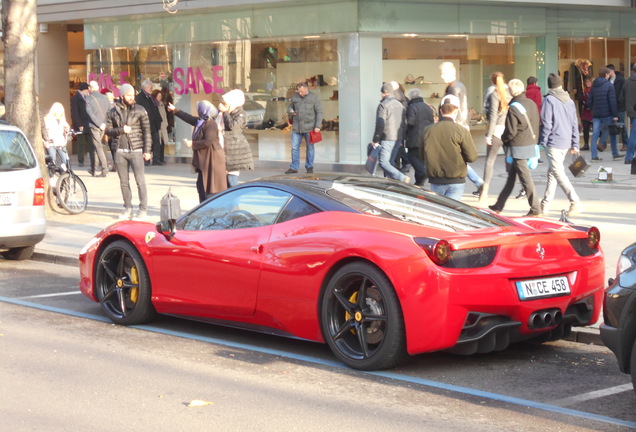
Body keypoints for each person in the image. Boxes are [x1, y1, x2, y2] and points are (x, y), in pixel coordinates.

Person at [489, 79, 541, 216]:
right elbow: (536, 123)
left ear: (511, 92)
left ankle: (536, 209)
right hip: (529, 143)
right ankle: (499, 205)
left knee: (526, 179)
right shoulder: (531, 103)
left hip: (518, 147)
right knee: (511, 177)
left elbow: (511, 131)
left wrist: (504, 140)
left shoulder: (513, 108)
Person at [105, 83, 152, 221]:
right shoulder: (113, 111)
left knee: (140, 181)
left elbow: (146, 131)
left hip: (136, 150)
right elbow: (107, 130)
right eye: (129, 95)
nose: (132, 97)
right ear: (122, 96)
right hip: (120, 151)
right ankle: (128, 207)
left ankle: (143, 209)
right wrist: (121, 130)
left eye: (133, 95)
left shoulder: (140, 110)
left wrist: (147, 150)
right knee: (124, 182)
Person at [539, 73, 583, 217]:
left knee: (558, 172)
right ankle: (545, 205)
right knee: (552, 172)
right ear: (560, 85)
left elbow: (546, 123)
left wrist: (543, 141)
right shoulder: (568, 100)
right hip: (565, 141)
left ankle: (574, 201)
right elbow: (574, 123)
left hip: (554, 141)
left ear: (549, 85)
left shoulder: (550, 100)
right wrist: (575, 143)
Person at [439, 61, 484, 195]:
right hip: (460, 125)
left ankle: (477, 182)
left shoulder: (453, 88)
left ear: (452, 72)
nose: (441, 76)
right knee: (458, 159)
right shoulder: (458, 86)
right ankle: (478, 182)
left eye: (443, 73)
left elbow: (453, 109)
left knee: (455, 159)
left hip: (457, 126)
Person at [421, 95, 477, 201]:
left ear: (441, 111)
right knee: (452, 212)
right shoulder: (461, 131)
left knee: (438, 210)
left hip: (436, 179)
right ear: (456, 111)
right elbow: (472, 157)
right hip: (456, 179)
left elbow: (421, 155)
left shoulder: (427, 130)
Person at [169, 100, 227, 202]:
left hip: (212, 160)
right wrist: (175, 110)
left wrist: (193, 144)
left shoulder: (211, 124)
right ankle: (203, 209)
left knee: (210, 190)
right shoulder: (201, 121)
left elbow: (208, 141)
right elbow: (189, 118)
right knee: (201, 187)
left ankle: (208, 210)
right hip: (204, 161)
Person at [479, 72, 510, 204]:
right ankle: (523, 187)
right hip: (508, 130)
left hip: (497, 131)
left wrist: (489, 135)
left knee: (490, 161)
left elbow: (493, 117)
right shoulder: (509, 94)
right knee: (511, 160)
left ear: (492, 81)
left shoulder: (494, 94)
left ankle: (485, 190)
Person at [371, 82, 410, 183]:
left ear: (384, 93)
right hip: (398, 138)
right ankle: (390, 183)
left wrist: (375, 140)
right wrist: (402, 138)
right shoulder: (400, 105)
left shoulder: (383, 105)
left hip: (387, 137)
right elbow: (404, 124)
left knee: (383, 162)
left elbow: (380, 124)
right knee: (390, 162)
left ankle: (401, 177)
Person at [285, 82, 323, 174]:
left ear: (306, 89)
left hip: (310, 127)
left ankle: (309, 167)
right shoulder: (295, 96)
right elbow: (290, 106)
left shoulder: (314, 97)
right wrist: (291, 110)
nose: (300, 93)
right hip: (297, 127)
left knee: (310, 148)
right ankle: (294, 167)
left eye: (302, 91)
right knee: (294, 148)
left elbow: (320, 112)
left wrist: (318, 126)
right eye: (299, 91)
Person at [219, 89, 254, 186]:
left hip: (235, 149)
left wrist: (225, 112)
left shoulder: (241, 114)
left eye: (225, 103)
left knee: (231, 179)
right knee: (224, 180)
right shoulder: (226, 113)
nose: (222, 105)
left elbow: (231, 126)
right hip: (225, 148)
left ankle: (233, 199)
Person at [587, 66, 621, 161]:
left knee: (595, 134)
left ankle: (594, 156)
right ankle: (615, 153)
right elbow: (612, 101)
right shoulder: (609, 85)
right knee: (613, 133)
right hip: (607, 114)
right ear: (606, 74)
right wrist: (615, 115)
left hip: (596, 114)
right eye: (608, 74)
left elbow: (589, 101)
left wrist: (593, 108)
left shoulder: (594, 86)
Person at [405, 88, 434, 186]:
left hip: (415, 137)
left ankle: (423, 173)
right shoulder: (427, 107)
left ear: (410, 97)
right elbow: (432, 122)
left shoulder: (412, 107)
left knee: (411, 157)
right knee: (420, 158)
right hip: (426, 137)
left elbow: (410, 122)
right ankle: (419, 182)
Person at [135, 79, 164, 165]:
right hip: (145, 124)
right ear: (145, 87)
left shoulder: (150, 97)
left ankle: (156, 159)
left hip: (154, 124)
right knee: (146, 142)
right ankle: (146, 159)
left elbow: (154, 109)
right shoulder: (140, 98)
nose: (151, 89)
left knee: (156, 141)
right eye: (150, 87)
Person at [85, 80, 111, 177]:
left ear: (90, 88)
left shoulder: (88, 98)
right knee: (97, 146)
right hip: (102, 126)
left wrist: (99, 124)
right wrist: (104, 123)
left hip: (95, 126)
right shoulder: (105, 98)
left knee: (98, 147)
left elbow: (90, 113)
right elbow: (109, 111)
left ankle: (104, 170)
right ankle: (94, 168)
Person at [41, 102, 71, 167]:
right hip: (51, 142)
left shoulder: (62, 119)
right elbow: (44, 130)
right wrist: (45, 140)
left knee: (65, 159)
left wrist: (67, 128)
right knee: (52, 160)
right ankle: (51, 174)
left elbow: (66, 127)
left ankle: (64, 173)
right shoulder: (47, 118)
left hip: (60, 142)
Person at [607, 64, 628, 150]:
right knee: (610, 125)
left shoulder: (621, 80)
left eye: (608, 71)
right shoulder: (608, 81)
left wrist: (620, 101)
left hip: (619, 107)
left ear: (612, 70)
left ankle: (625, 143)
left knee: (621, 125)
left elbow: (624, 93)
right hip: (610, 107)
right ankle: (607, 144)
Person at [70, 82, 91, 167]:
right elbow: (75, 113)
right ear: (84, 89)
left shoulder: (87, 97)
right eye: (87, 90)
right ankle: (80, 161)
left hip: (87, 123)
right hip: (81, 125)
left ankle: (92, 160)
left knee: (90, 142)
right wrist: (79, 124)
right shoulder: (75, 98)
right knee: (81, 143)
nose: (88, 91)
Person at [619, 62, 636, 164]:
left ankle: (629, 157)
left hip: (631, 111)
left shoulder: (628, 81)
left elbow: (621, 97)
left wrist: (627, 106)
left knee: (634, 133)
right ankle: (629, 157)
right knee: (633, 134)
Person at [151, 89, 170, 164]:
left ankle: (161, 158)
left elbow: (164, 115)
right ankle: (156, 158)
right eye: (159, 96)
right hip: (157, 126)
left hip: (163, 126)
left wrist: (166, 123)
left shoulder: (161, 104)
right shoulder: (153, 104)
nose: (160, 97)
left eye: (161, 96)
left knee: (162, 143)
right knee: (157, 143)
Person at [579, 76, 594, 151]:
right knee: (586, 129)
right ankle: (586, 144)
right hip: (585, 112)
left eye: (589, 82)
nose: (587, 83)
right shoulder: (584, 91)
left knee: (596, 129)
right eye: (586, 82)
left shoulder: (593, 90)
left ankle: (595, 144)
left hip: (592, 111)